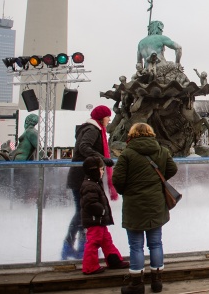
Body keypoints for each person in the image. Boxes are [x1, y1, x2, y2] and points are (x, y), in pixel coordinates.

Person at [112, 123, 178, 294]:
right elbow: (173, 168)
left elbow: (117, 179)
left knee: (136, 245)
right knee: (155, 243)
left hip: (134, 204)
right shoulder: (162, 151)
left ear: (132, 135)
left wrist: (126, 190)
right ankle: (157, 282)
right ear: (151, 133)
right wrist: (158, 181)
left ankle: (136, 284)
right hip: (156, 202)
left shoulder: (127, 154)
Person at [62, 105, 117, 260]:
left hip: (83, 177)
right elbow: (84, 147)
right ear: (101, 118)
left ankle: (79, 245)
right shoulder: (92, 130)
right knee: (82, 212)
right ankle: (72, 245)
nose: (109, 120)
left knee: (83, 212)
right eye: (107, 117)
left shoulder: (93, 129)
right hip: (81, 177)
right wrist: (102, 158)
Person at [79, 157, 129, 275]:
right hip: (95, 220)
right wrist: (101, 211)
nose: (103, 172)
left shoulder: (94, 183)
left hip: (99, 220)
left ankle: (114, 260)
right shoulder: (90, 185)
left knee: (106, 240)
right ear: (94, 170)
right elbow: (89, 203)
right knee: (94, 242)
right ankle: (89, 266)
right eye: (101, 169)